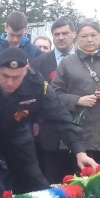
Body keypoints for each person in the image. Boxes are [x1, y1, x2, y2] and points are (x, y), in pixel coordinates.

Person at [0, 48, 97, 197]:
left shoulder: (36, 83)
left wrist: (79, 151)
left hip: (16, 129)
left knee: (34, 179)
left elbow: (59, 116)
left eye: (16, 77)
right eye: (5, 76)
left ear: (26, 70)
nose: (10, 82)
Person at [51, 20, 100, 165]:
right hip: (76, 136)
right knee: (76, 178)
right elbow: (54, 95)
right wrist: (77, 100)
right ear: (76, 37)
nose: (89, 40)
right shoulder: (67, 63)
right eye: (84, 36)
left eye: (93, 35)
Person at [30, 17, 77, 183]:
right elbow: (33, 94)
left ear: (74, 34)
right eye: (56, 34)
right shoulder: (38, 62)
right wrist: (35, 120)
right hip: (49, 131)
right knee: (52, 181)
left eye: (65, 33)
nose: (61, 37)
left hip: (80, 127)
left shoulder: (85, 59)